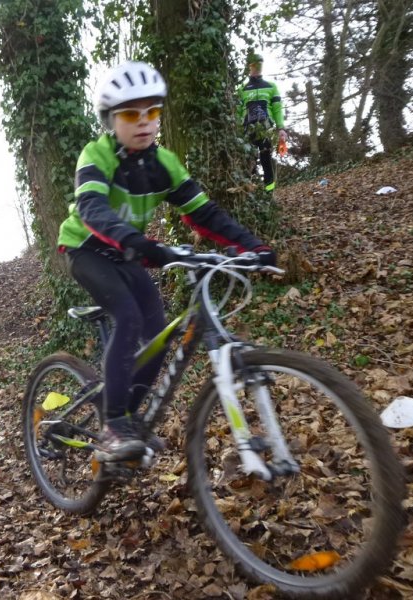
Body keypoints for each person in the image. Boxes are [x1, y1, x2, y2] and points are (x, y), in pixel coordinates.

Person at [57, 60, 276, 462]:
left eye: (152, 112)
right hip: (84, 249)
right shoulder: (97, 155)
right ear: (111, 119)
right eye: (130, 113)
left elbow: (204, 213)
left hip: (127, 253)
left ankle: (130, 420)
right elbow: (91, 209)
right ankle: (113, 423)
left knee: (158, 335)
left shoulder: (165, 164)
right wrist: (139, 242)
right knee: (129, 316)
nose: (144, 122)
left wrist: (251, 245)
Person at [237, 53, 287, 192]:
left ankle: (269, 193)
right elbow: (237, 111)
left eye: (259, 64)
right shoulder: (242, 89)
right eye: (254, 64)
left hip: (266, 128)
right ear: (249, 66)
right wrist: (237, 129)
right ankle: (252, 193)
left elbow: (277, 109)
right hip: (247, 129)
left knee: (266, 159)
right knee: (249, 161)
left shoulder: (271, 86)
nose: (257, 67)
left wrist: (281, 128)